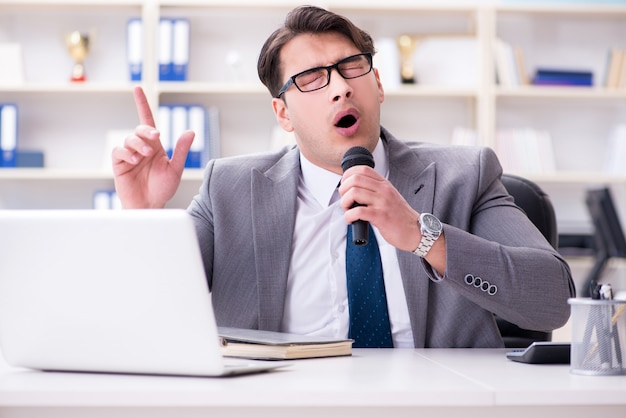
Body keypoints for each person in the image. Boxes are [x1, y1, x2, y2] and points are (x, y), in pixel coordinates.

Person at [112, 5, 575, 348]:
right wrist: (144, 217)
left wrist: (420, 234)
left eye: (351, 67)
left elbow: (553, 300)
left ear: (377, 86)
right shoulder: (227, 189)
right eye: (312, 78)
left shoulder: (464, 174)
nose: (340, 86)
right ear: (283, 113)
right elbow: (138, 318)